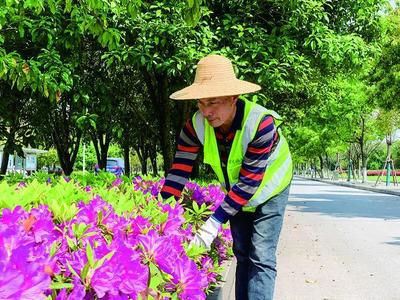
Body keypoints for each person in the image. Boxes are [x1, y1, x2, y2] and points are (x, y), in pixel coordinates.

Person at [160, 54, 293, 300]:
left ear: (233, 98)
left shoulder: (260, 123)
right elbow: (179, 171)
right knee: (242, 252)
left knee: (261, 255)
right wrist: (161, 213)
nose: (206, 111)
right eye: (201, 103)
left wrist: (212, 224)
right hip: (237, 193)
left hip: (271, 188)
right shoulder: (195, 126)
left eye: (213, 102)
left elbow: (250, 182)